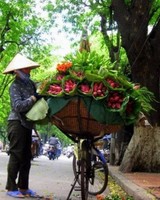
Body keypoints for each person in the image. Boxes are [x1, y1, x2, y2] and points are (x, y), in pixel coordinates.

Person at [3, 53, 41, 198]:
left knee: (26, 157)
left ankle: (23, 187)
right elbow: (18, 106)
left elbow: (38, 96)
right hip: (16, 123)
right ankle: (11, 187)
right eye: (26, 69)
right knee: (16, 155)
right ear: (18, 71)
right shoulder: (14, 86)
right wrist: (33, 98)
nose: (29, 71)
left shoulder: (30, 84)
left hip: (27, 124)